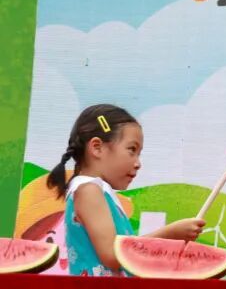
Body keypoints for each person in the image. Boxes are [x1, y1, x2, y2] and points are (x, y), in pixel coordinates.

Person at [46, 105, 206, 276]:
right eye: (132, 150)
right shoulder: (89, 190)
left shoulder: (99, 191)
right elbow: (112, 254)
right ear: (97, 148)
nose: (138, 163)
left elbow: (122, 250)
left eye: (139, 153)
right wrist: (170, 234)